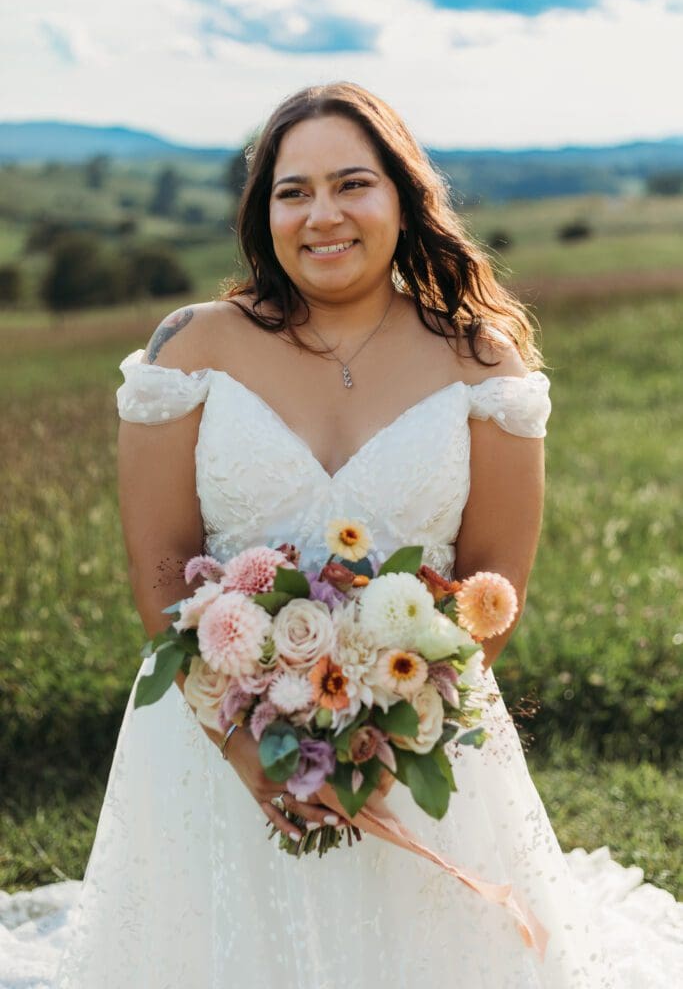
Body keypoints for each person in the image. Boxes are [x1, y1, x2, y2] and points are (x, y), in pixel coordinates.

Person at [45, 81, 650, 987]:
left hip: (416, 741)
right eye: (293, 191)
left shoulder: (481, 361)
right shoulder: (191, 349)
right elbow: (163, 571)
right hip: (210, 744)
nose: (321, 214)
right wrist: (251, 753)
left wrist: (382, 744)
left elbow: (491, 588)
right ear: (263, 213)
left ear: (403, 201)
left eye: (351, 183)